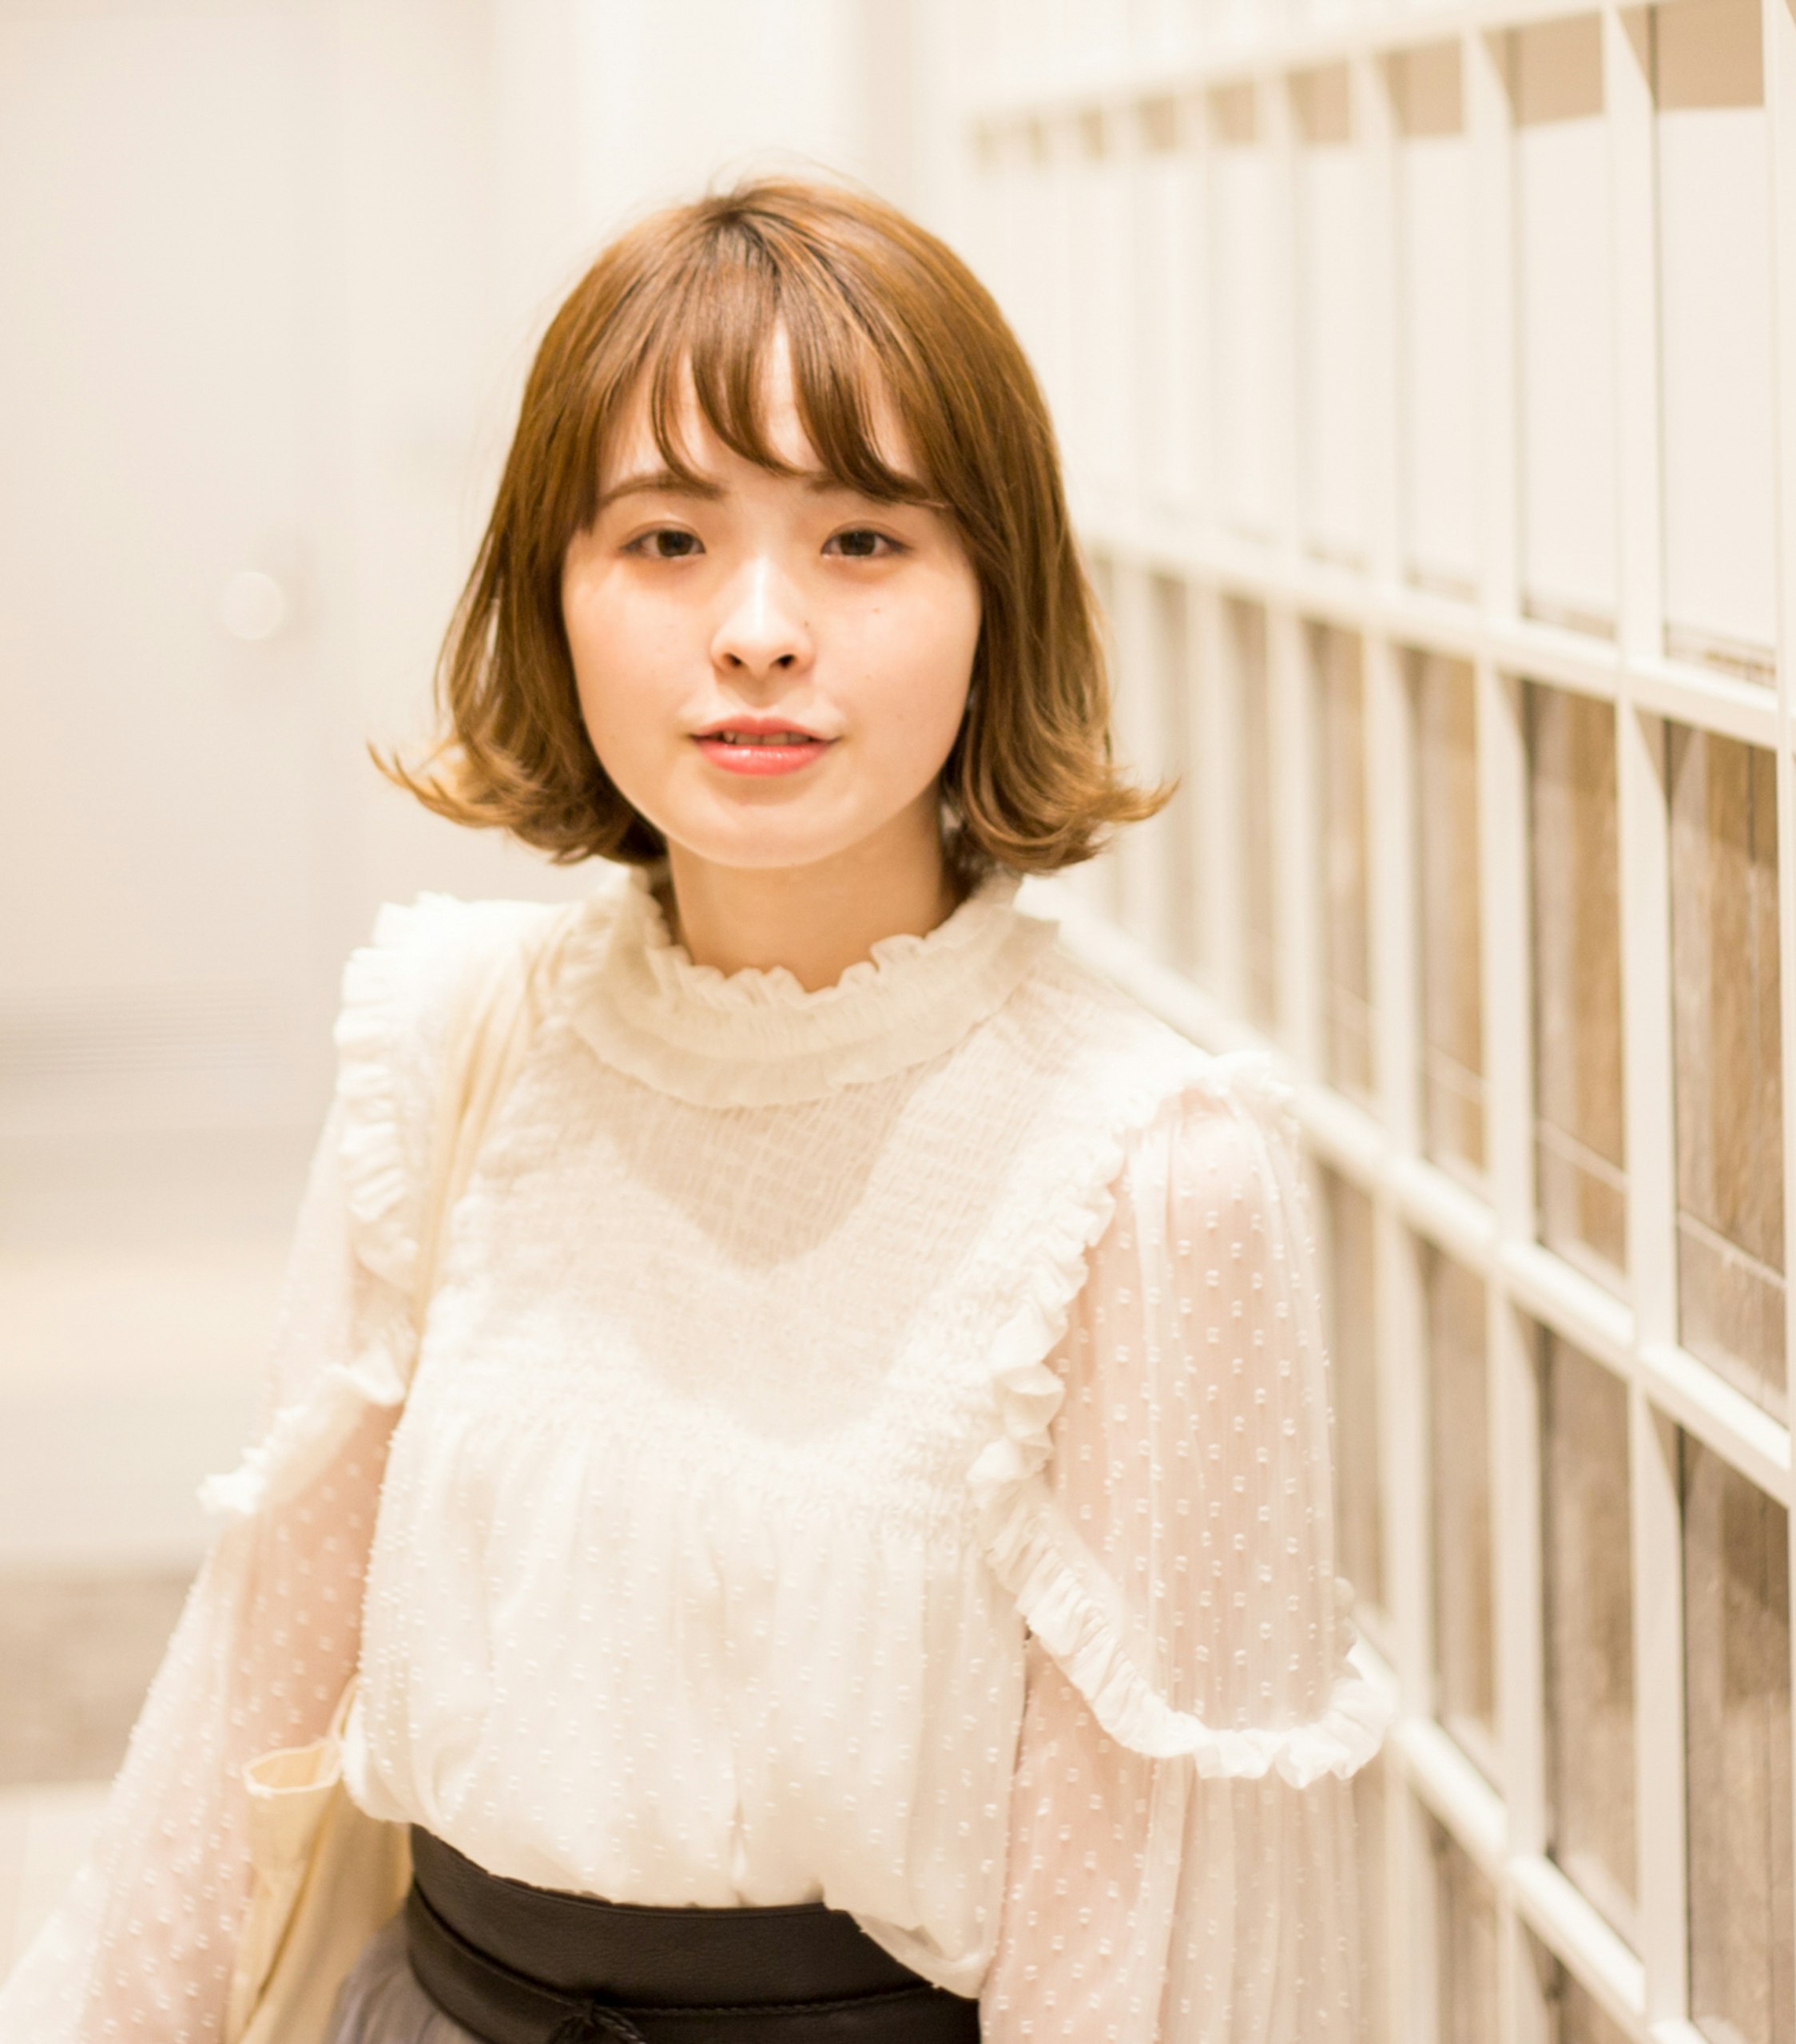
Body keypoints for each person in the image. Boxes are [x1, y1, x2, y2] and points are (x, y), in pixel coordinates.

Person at [0, 178, 1389, 2043]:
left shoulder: (1146, 1167)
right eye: (664, 536)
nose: (755, 629)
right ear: (550, 593)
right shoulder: (450, 1044)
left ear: (999, 600)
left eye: (862, 540)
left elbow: (1139, 1933)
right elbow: (250, 1693)